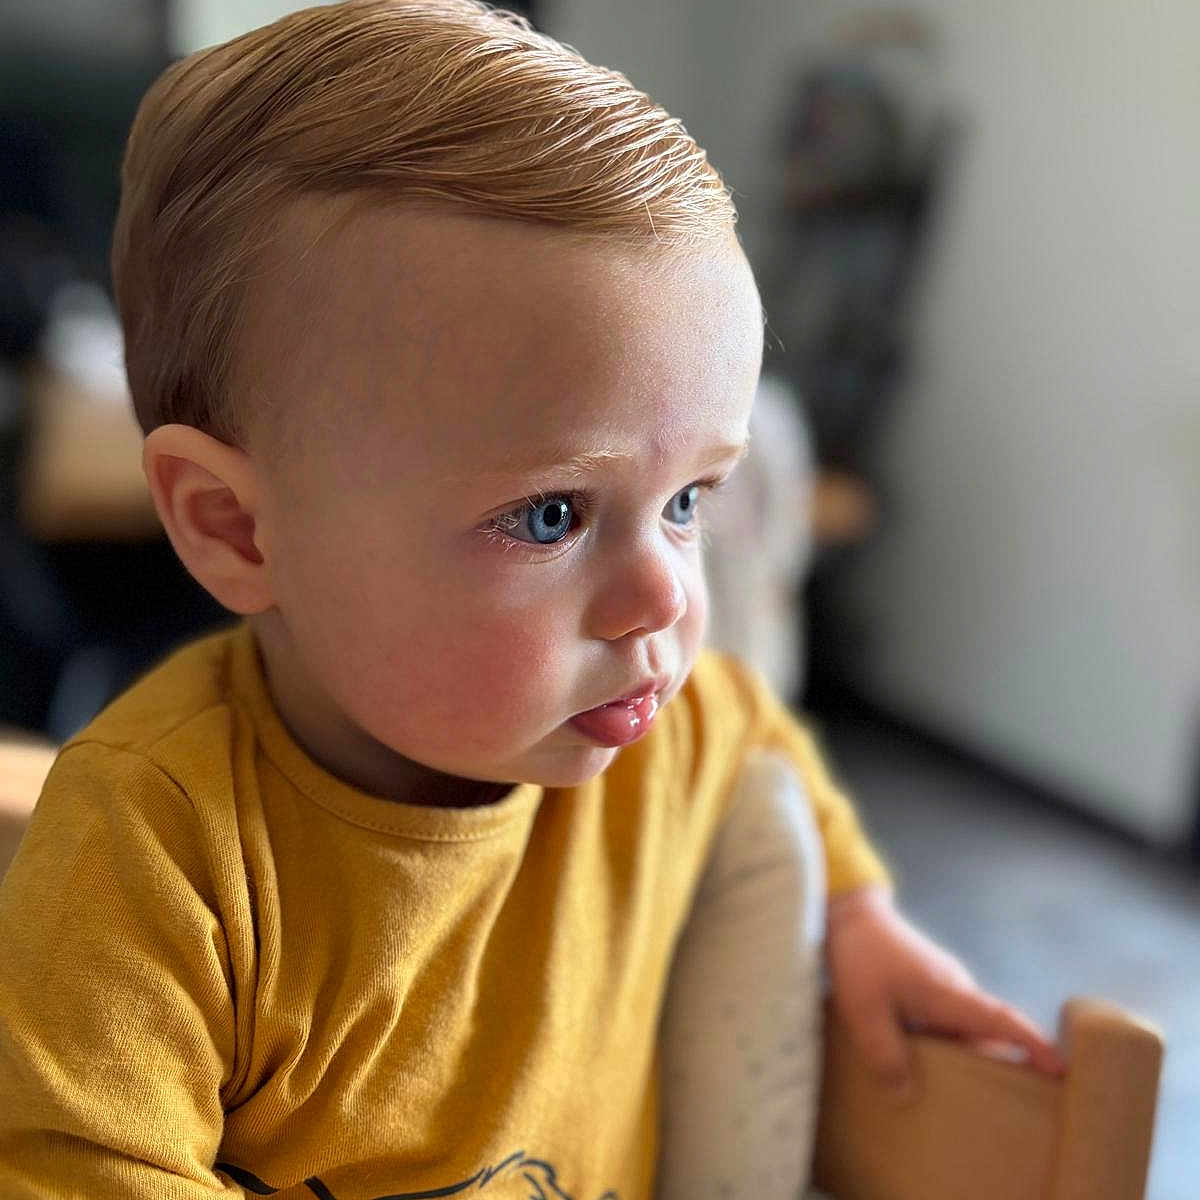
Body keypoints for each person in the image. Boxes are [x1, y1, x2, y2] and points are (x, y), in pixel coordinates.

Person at [0, 3, 1064, 1197]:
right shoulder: (152, 850)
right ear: (235, 527)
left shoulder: (668, 735)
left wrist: (859, 916)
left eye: (689, 499)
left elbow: (764, 751)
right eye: (551, 515)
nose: (663, 596)